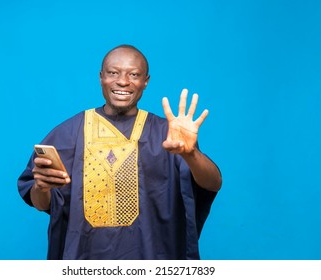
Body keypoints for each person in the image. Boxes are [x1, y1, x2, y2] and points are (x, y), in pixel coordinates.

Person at [18, 44, 222, 260]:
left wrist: (191, 154)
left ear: (146, 81)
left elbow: (213, 184)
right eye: (113, 73)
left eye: (134, 74)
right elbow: (42, 203)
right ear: (101, 77)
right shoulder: (68, 134)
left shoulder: (168, 135)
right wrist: (42, 187)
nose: (123, 81)